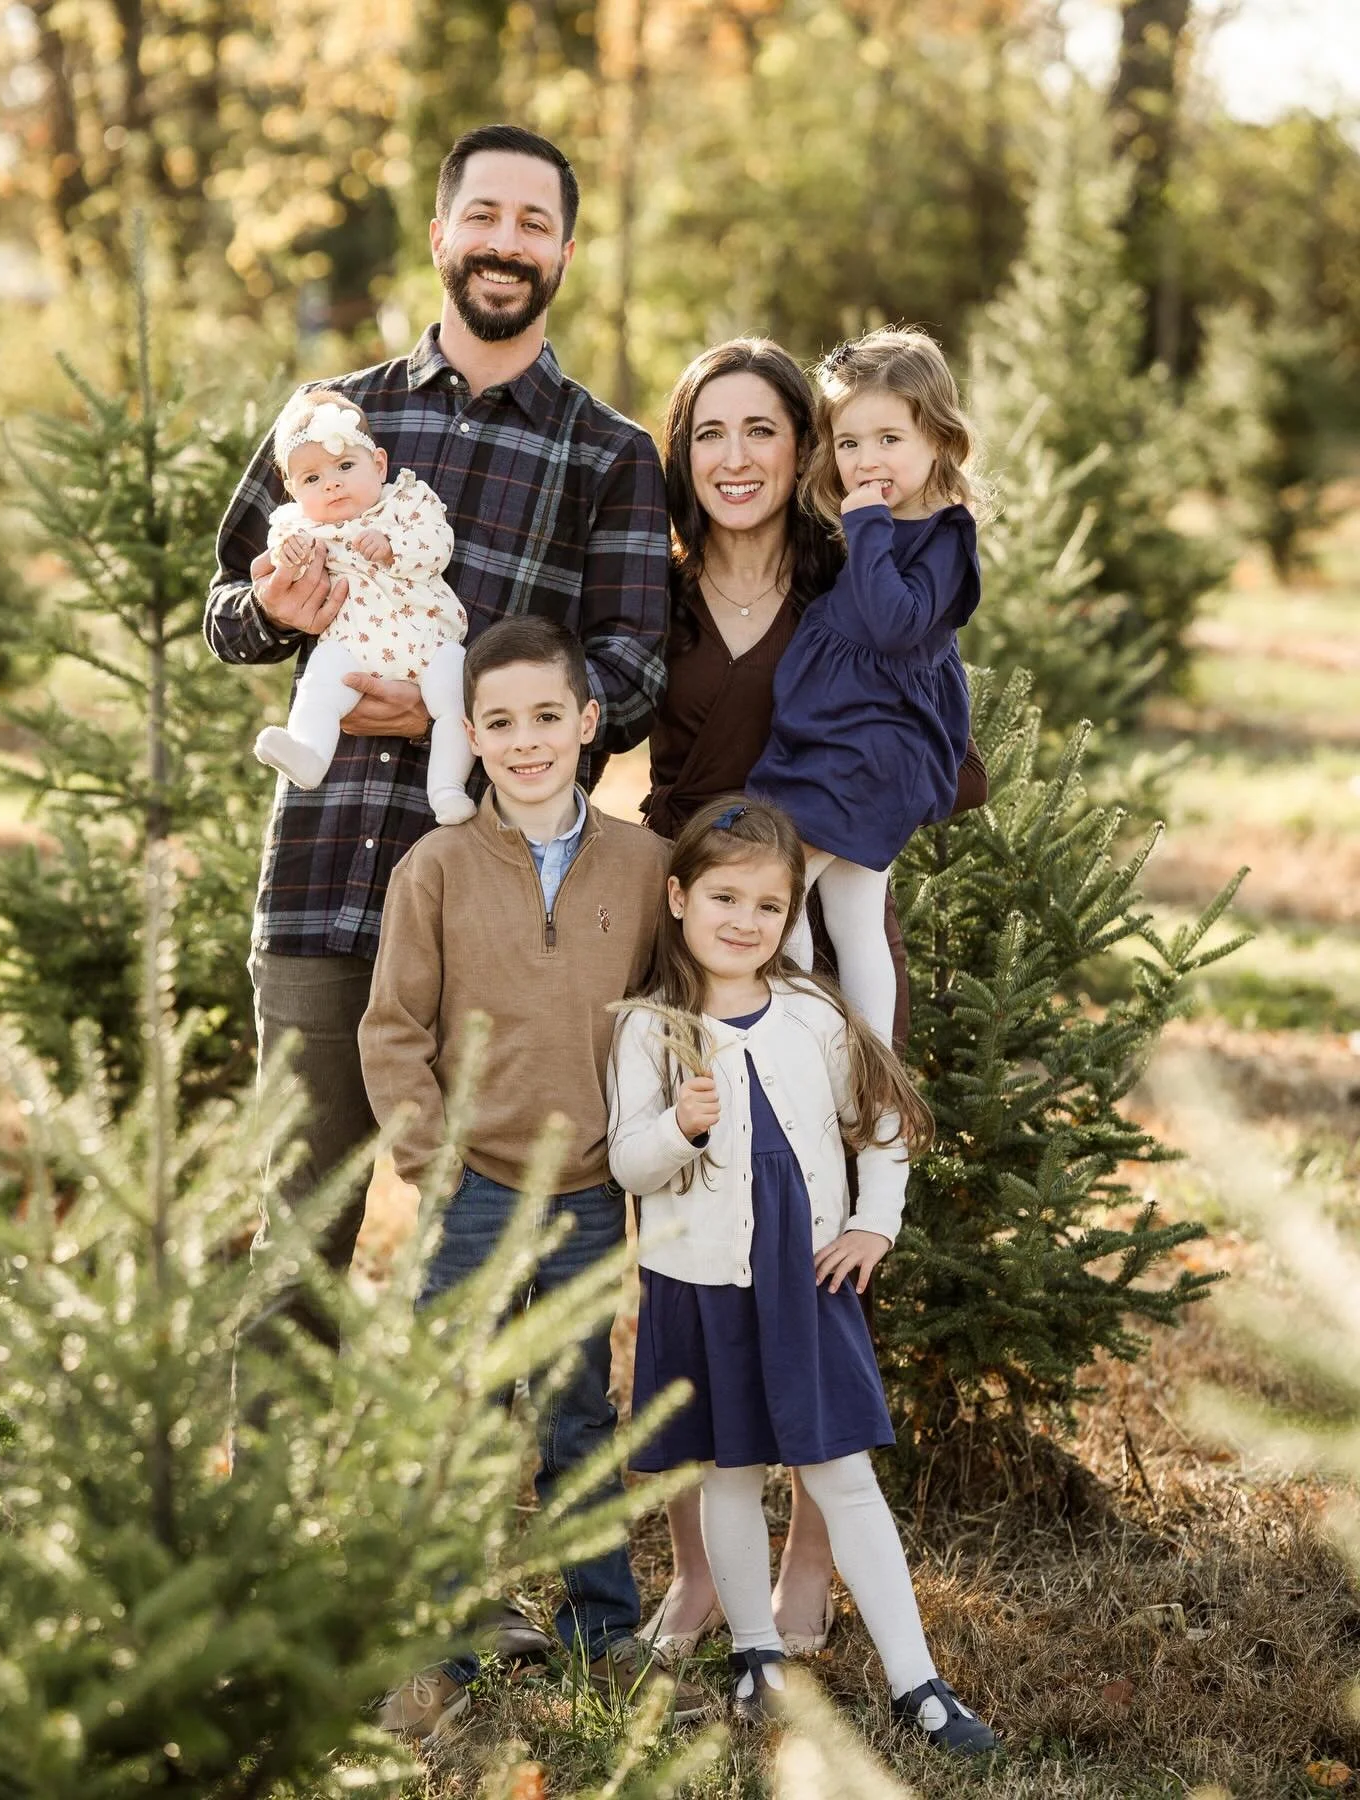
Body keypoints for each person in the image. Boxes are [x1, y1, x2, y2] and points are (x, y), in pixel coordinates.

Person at [204, 124, 668, 1322]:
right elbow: (221, 612)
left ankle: (481, 1501)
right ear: (440, 236)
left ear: (564, 247)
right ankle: (274, 1502)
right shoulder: (330, 419)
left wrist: (467, 717)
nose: (506, 245)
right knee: (302, 1223)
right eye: (486, 217)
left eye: (533, 223)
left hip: (507, 913)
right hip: (325, 877)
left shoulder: (607, 455)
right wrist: (269, 609)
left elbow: (631, 668)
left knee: (507, 1229)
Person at [639, 337, 988, 1663]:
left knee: (821, 1256)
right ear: (688, 454)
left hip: (831, 940)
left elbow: (928, 717)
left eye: (763, 432)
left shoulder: (859, 570)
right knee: (688, 1266)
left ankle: (803, 1580)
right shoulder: (657, 596)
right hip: (699, 954)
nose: (736, 458)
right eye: (709, 433)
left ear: (807, 450)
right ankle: (693, 1575)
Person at [358, 619, 707, 1742]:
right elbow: (393, 1032)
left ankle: (600, 1630)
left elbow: (678, 1015)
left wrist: (657, 1142)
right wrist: (433, 1163)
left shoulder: (645, 869)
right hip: (474, 1188)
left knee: (573, 1412)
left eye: (546, 718)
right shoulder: (439, 868)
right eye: (499, 724)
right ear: (470, 735)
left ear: (588, 723)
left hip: (591, 1190)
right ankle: (441, 1638)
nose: (524, 742)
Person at [607, 797, 996, 1752]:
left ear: (791, 917)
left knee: (841, 1473)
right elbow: (626, 1163)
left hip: (808, 1276)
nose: (743, 921)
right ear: (679, 896)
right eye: (723, 897)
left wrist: (875, 1222)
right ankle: (755, 1654)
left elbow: (886, 1119)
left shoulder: (815, 1014)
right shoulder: (649, 1029)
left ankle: (919, 1683)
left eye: (768, 907)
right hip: (698, 1279)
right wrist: (676, 1129)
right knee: (730, 1469)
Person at [748, 326, 983, 1047]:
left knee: (776, 891)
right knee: (850, 917)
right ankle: (849, 1059)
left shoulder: (943, 534)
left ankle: (805, 1043)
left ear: (938, 440)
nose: (866, 460)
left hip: (872, 751)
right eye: (849, 443)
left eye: (888, 439)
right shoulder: (865, 524)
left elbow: (894, 623)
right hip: (828, 741)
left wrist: (871, 524)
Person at [253, 388, 474, 820]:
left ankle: (447, 789)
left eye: (345, 466)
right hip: (351, 646)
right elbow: (279, 556)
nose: (331, 484)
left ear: (379, 465)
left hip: (427, 639)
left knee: (455, 699)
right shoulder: (301, 526)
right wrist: (290, 556)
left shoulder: (407, 503)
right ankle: (309, 755)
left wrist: (392, 546)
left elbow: (437, 544)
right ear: (294, 492)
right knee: (318, 685)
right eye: (312, 480)